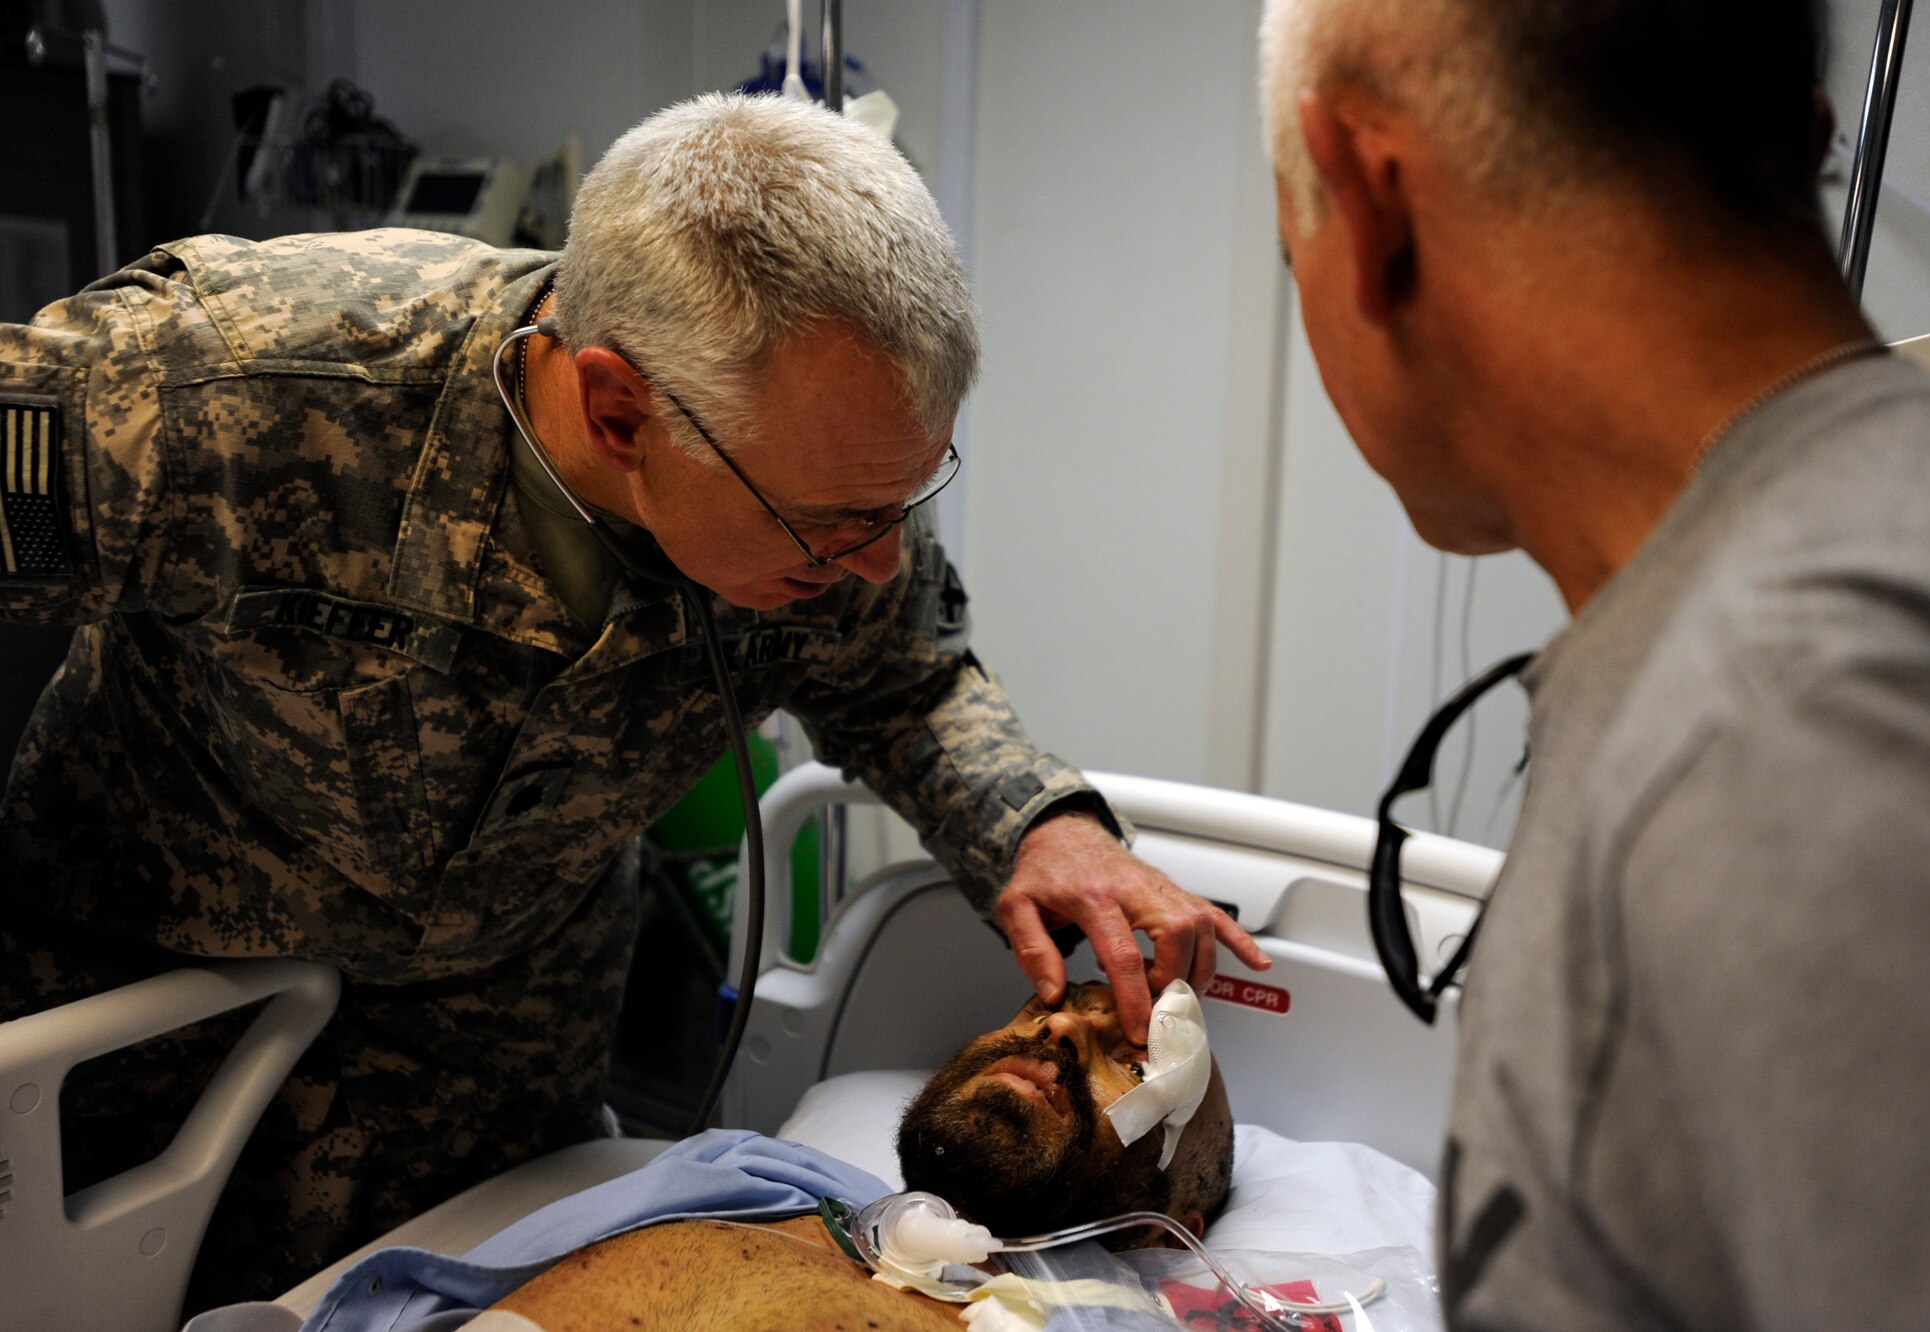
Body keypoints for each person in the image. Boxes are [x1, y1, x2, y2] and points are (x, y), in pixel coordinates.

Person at [0, 91, 1263, 1311]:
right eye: (832, 525)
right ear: (616, 412)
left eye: (906, 500)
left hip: (487, 1050)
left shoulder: (826, 475)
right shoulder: (234, 384)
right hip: (145, 1011)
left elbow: (906, 679)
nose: (879, 564)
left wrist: (1040, 824)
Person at [1260, 0, 1930, 1327]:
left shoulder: (1795, 730)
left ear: (1371, 204)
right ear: (1797, 143)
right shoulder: (1903, 539)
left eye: (1285, 241)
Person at [185, 981, 1234, 1332]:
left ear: (1169, 1214)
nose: (1058, 1031)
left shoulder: (1105, 1315)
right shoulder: (753, 1178)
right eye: (1047, 1006)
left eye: (1131, 1060)